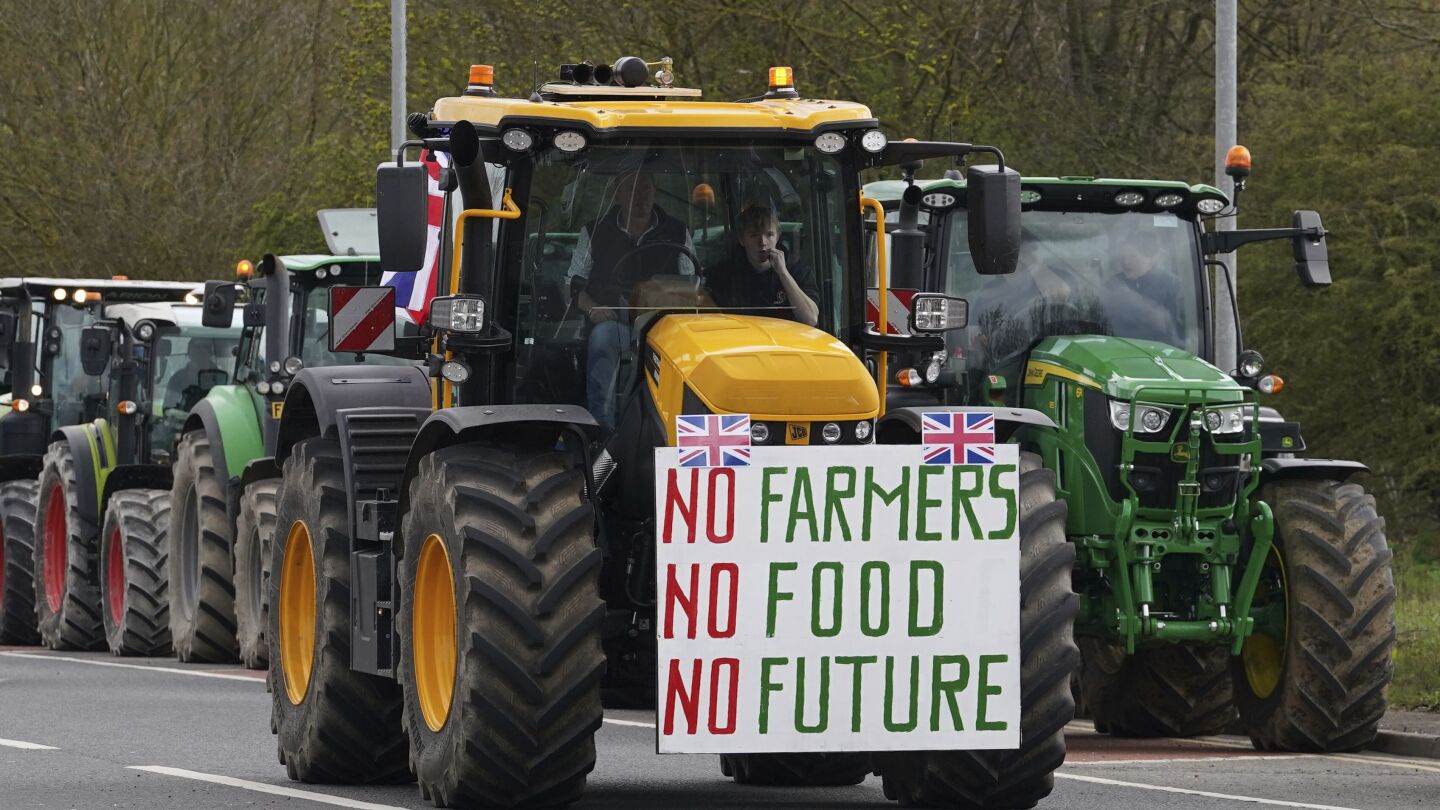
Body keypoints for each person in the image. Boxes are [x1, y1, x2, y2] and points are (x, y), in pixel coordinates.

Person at [565, 171, 695, 428]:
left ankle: (678, 428)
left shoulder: (678, 231)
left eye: (646, 188)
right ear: (617, 195)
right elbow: (573, 283)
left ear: (655, 192)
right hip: (616, 322)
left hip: (665, 325)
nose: (640, 196)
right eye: (632, 190)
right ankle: (602, 428)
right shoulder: (594, 231)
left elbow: (692, 284)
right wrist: (593, 310)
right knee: (602, 338)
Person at [702, 205, 820, 326]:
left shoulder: (797, 270)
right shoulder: (725, 273)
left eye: (769, 235)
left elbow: (810, 319)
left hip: (785, 342)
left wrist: (783, 273)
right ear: (742, 239)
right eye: (754, 235)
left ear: (778, 237)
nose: (762, 242)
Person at [165, 339, 222, 410]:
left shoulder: (221, 379)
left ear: (210, 354)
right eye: (197, 350)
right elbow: (169, 408)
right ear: (189, 353)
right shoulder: (178, 379)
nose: (200, 354)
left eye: (203, 350)